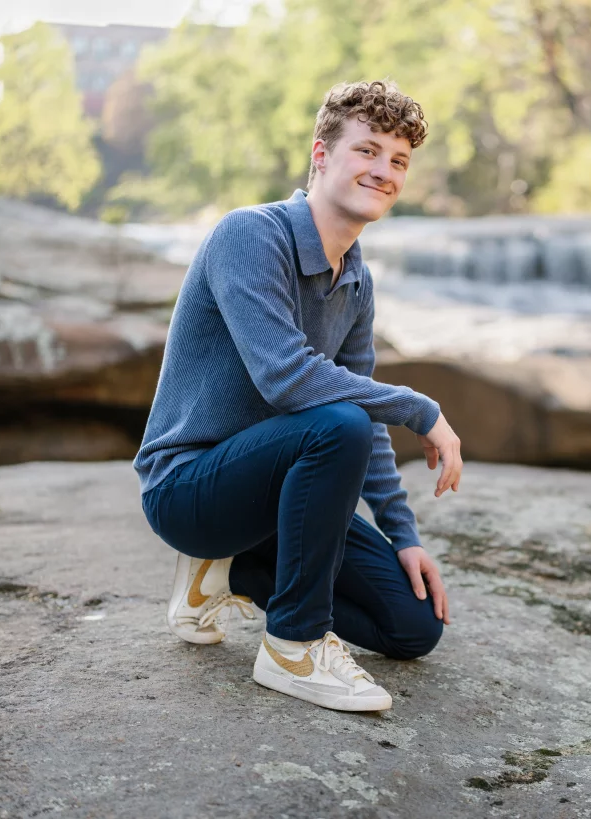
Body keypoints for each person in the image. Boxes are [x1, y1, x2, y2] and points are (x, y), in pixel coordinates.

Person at [134, 80, 463, 713]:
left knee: (413, 627)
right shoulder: (250, 236)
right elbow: (288, 378)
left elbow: (365, 424)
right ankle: (292, 647)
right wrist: (421, 409)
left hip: (277, 492)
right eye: (367, 151)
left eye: (398, 161)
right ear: (321, 155)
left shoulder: (357, 280)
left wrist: (404, 535)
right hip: (189, 491)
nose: (383, 171)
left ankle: (226, 573)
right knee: (333, 420)